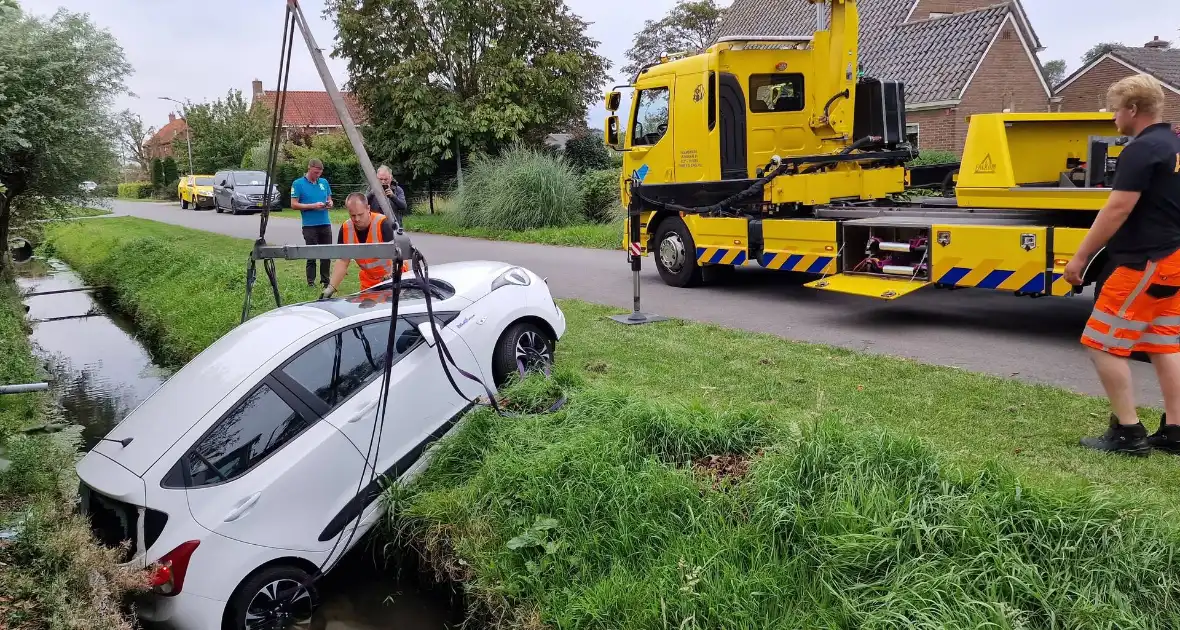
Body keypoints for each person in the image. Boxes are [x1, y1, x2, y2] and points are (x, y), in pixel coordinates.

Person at [1064, 73, 1180, 456]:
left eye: (1116, 109)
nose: (1113, 117)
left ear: (1133, 109)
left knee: (1101, 344)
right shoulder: (1174, 145)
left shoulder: (1140, 150)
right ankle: (1175, 432)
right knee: (1164, 345)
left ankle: (1129, 433)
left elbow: (1117, 209)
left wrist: (1080, 257)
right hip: (1173, 259)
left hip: (1144, 262)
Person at [321, 192, 398, 298]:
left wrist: (392, 274)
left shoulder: (384, 224)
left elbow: (398, 254)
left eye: (360, 214)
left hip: (396, 277)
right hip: (369, 281)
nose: (357, 219)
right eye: (353, 215)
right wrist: (330, 288)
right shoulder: (346, 228)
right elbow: (343, 261)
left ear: (368, 208)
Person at [290, 158, 334, 288]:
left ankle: (326, 281)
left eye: (320, 173)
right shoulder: (298, 184)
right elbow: (293, 204)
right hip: (309, 225)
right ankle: (311, 282)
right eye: (315, 172)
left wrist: (330, 203)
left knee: (327, 253)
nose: (317, 175)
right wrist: (313, 206)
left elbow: (329, 199)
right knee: (311, 253)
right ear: (309, 168)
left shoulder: (324, 182)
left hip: (325, 222)